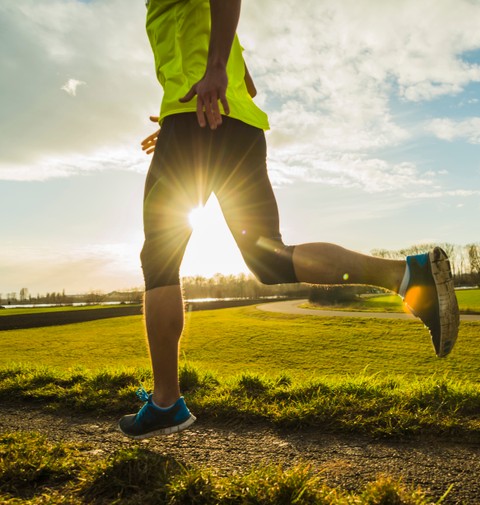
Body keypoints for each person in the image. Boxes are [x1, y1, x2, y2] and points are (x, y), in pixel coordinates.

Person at [118, 0, 460, 440]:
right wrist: (210, 82)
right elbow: (249, 86)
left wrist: (208, 80)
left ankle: (165, 402)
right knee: (270, 259)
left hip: (196, 118)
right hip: (231, 122)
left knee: (159, 258)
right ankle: (408, 275)